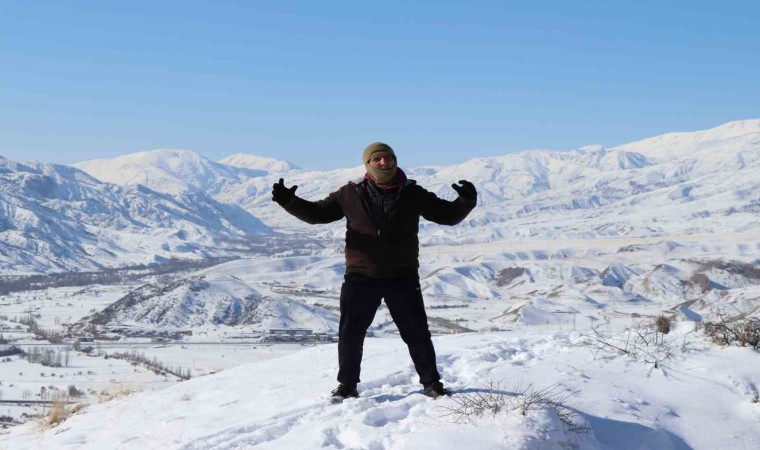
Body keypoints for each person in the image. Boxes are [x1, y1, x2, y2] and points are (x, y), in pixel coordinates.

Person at [271, 142, 477, 401]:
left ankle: (432, 383)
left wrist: (466, 201)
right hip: (360, 275)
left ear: (395, 160)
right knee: (351, 335)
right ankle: (347, 386)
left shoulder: (413, 193)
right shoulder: (350, 192)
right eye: (376, 158)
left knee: (417, 333)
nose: (383, 162)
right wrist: (289, 201)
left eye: (387, 157)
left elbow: (447, 215)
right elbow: (319, 214)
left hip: (402, 276)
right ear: (367, 163)